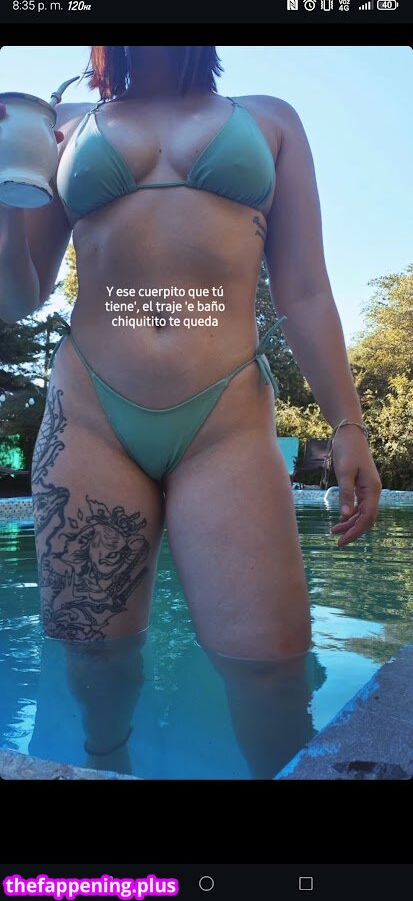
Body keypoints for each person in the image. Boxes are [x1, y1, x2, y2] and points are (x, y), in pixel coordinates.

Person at [0, 46, 382, 663]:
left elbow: (307, 292)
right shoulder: (59, 124)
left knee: (272, 667)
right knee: (91, 675)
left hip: (225, 424)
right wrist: (5, 198)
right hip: (90, 420)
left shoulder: (270, 120)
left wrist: (349, 425)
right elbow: (19, 298)